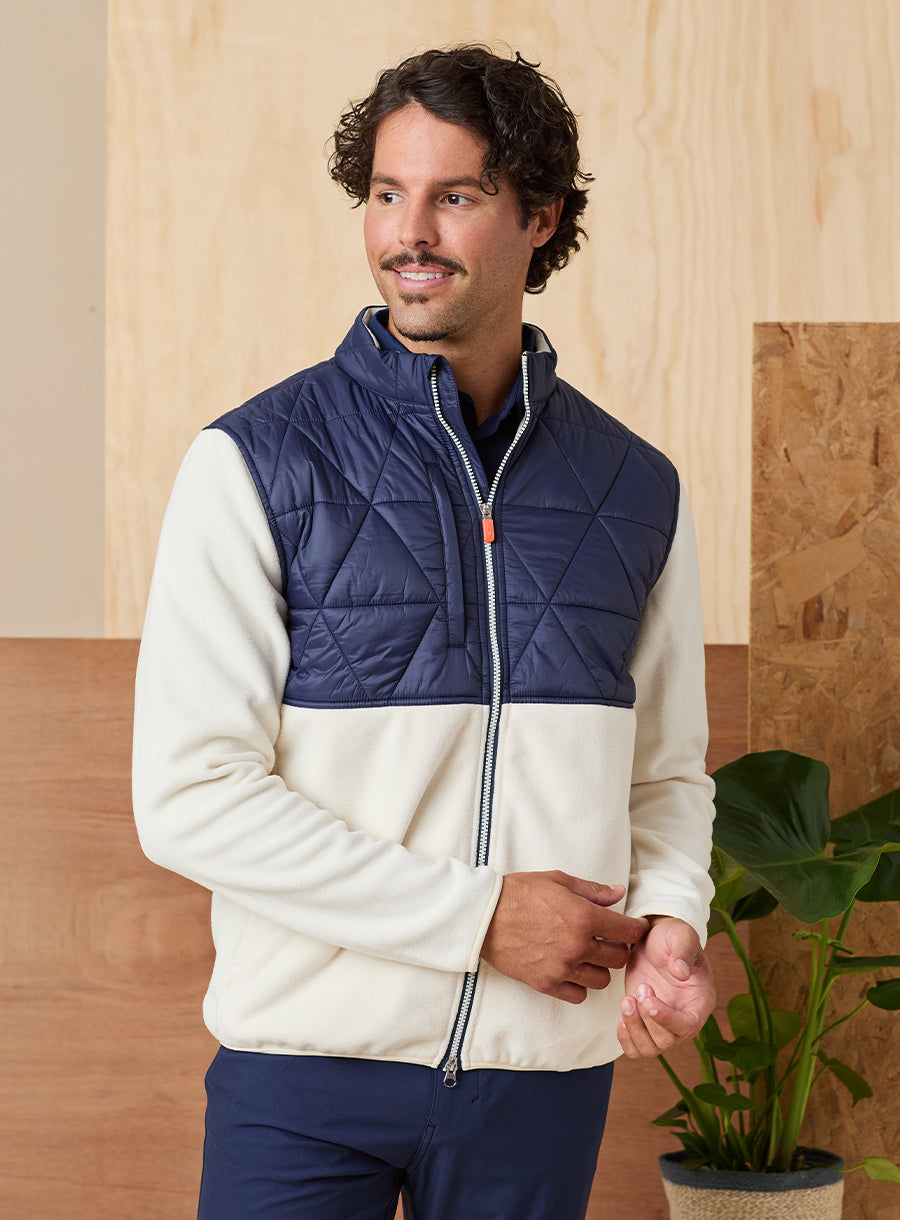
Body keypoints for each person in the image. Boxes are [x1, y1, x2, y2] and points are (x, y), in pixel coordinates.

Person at [133, 44, 716, 1220]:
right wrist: (480, 916)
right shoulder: (255, 463)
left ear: (540, 217)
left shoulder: (634, 486)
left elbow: (664, 773)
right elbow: (189, 793)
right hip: (304, 1072)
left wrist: (672, 918)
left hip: (539, 1078)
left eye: (454, 196)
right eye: (387, 193)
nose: (410, 232)